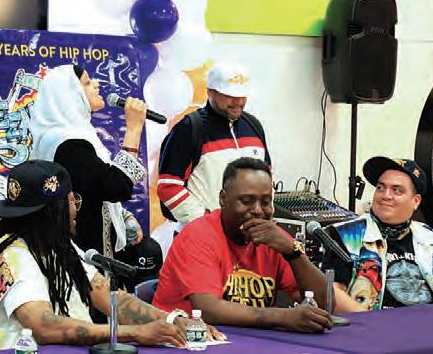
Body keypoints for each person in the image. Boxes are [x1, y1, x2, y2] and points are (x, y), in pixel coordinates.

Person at [0, 160, 225, 351]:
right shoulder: (15, 255)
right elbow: (44, 326)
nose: (76, 210)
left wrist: (174, 320)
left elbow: (112, 298)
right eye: (72, 202)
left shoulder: (59, 247)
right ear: (53, 212)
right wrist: (136, 332)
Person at [153, 157, 333, 333]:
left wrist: (293, 253)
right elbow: (208, 310)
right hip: (188, 340)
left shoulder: (274, 238)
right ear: (223, 199)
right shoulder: (197, 236)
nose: (258, 210)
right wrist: (284, 317)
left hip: (250, 340)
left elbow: (324, 304)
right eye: (247, 201)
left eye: (266, 202)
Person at [29, 64, 147, 259]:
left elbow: (93, 187)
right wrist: (134, 129)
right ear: (70, 95)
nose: (97, 84)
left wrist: (123, 216)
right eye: (87, 82)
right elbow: (116, 186)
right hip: (83, 252)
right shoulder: (68, 144)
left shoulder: (72, 135)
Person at [157, 63, 271, 232]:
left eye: (242, 95)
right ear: (210, 92)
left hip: (246, 238)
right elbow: (168, 187)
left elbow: (266, 178)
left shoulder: (253, 125)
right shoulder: (189, 128)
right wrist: (208, 223)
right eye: (230, 95)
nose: (239, 101)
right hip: (200, 237)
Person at [323, 157, 433, 312]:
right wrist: (373, 323)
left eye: (396, 190)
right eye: (380, 188)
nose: (386, 195)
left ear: (416, 201)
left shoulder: (432, 239)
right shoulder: (347, 235)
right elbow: (332, 292)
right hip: (372, 324)